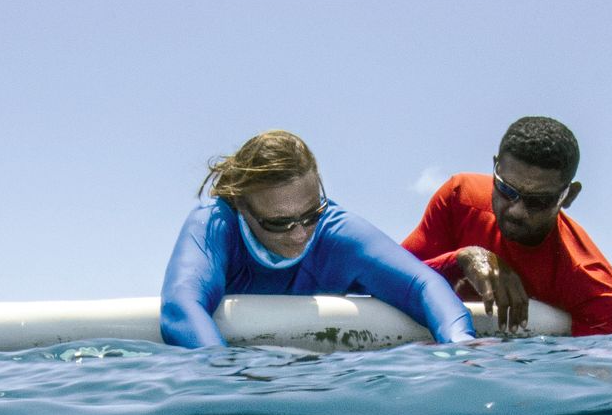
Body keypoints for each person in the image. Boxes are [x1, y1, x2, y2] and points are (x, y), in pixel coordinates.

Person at [161, 131, 474, 348]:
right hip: (236, 374)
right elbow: (181, 306)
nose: (300, 234)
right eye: (279, 223)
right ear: (242, 205)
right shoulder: (215, 222)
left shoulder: (336, 232)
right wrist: (226, 376)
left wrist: (461, 344)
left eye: (311, 215)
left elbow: (423, 285)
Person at [402, 116, 612, 335]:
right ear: (495, 168)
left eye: (537, 201)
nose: (516, 211)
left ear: (569, 196)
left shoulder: (594, 286)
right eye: (506, 190)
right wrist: (461, 261)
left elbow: (590, 370)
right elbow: (383, 281)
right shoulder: (459, 198)